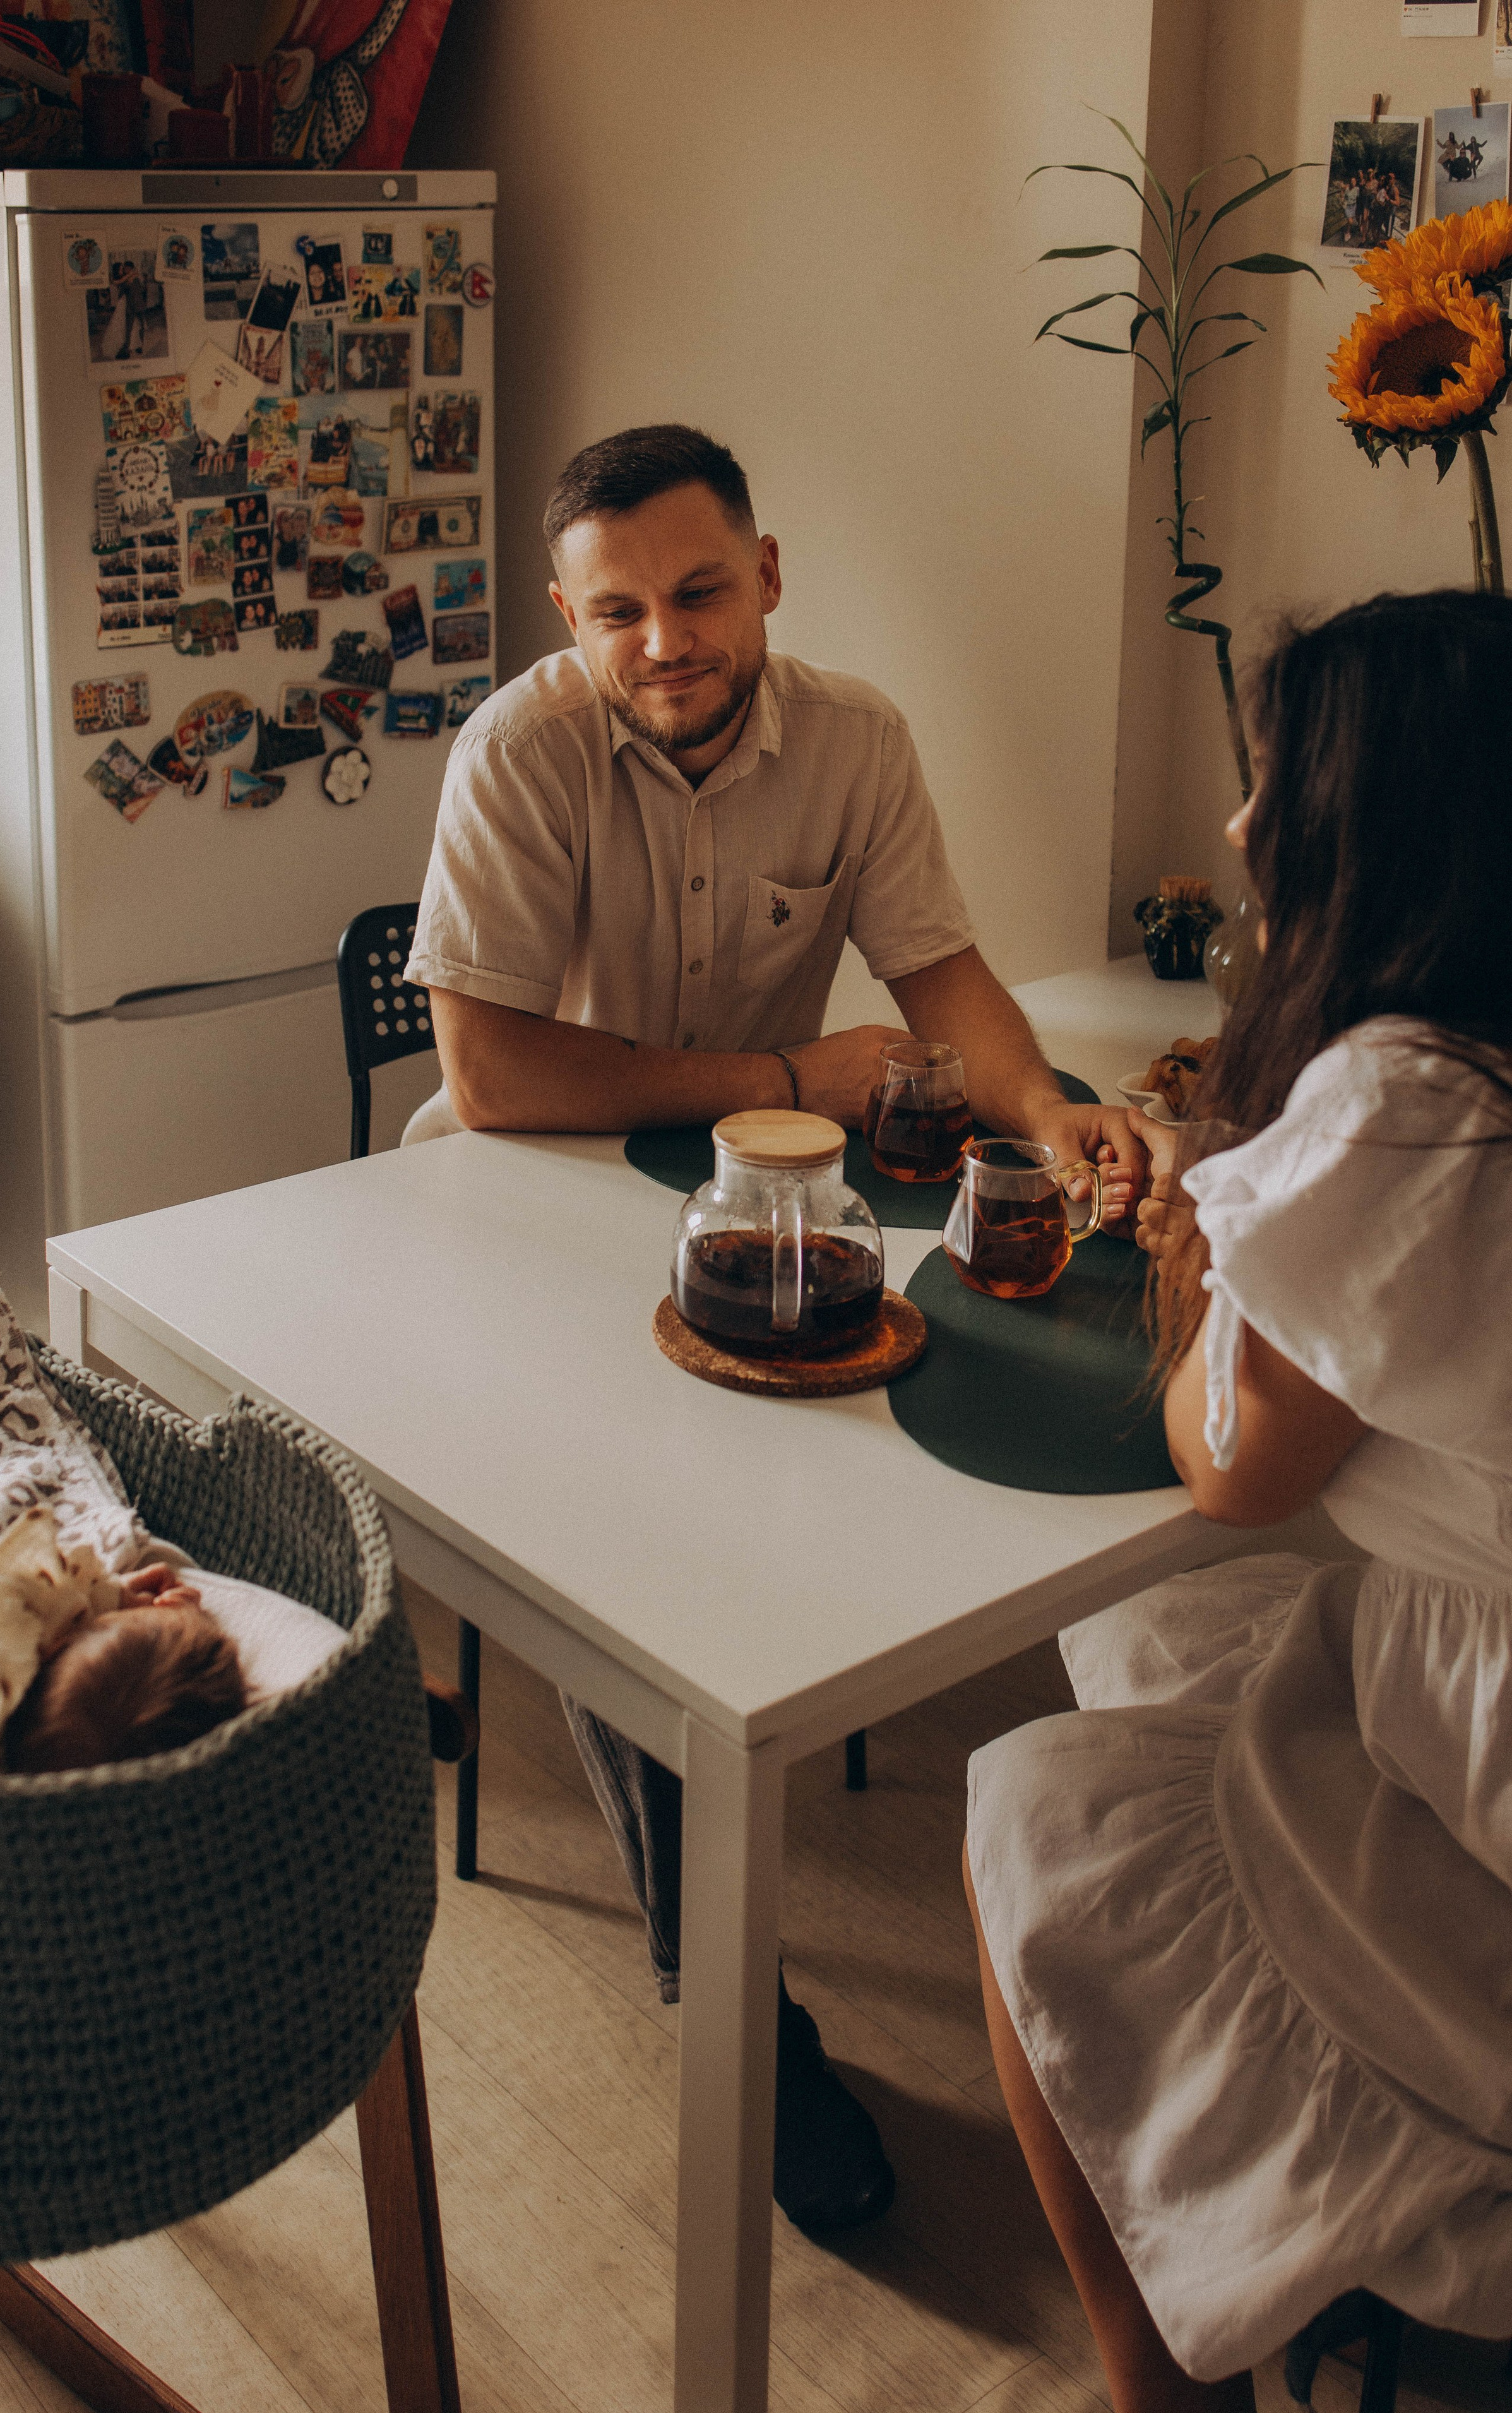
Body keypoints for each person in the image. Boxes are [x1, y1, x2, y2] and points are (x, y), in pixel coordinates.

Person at [403, 422, 1144, 2236]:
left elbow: (943, 983)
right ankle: (732, 2000)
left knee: (999, 1379)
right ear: (571, 624)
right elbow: (487, 1076)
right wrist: (786, 1070)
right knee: (617, 1562)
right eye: (620, 611)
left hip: (755, 1203)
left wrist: (1057, 1118)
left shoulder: (862, 739)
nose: (667, 640)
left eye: (701, 591)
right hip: (507, 1218)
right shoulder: (519, 750)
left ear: (771, 576)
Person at [963, 590, 1512, 2413]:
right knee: (1150, 1629)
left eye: (1269, 774)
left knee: (1034, 1802)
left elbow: (1235, 1467)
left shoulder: (1402, 1102)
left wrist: (1207, 1237)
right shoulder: (1466, 1075)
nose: (1232, 822)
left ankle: (1167, 2395)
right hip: (1448, 1642)